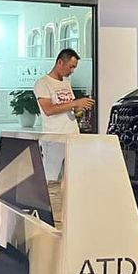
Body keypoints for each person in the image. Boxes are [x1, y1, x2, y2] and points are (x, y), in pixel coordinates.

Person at [33, 48, 94, 180]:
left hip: (72, 135)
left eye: (74, 68)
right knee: (49, 177)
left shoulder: (66, 83)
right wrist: (75, 103)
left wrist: (79, 109)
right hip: (55, 137)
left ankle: (69, 200)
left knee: (73, 177)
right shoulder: (43, 83)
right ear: (60, 62)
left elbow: (69, 108)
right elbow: (48, 110)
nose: (72, 71)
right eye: (71, 67)